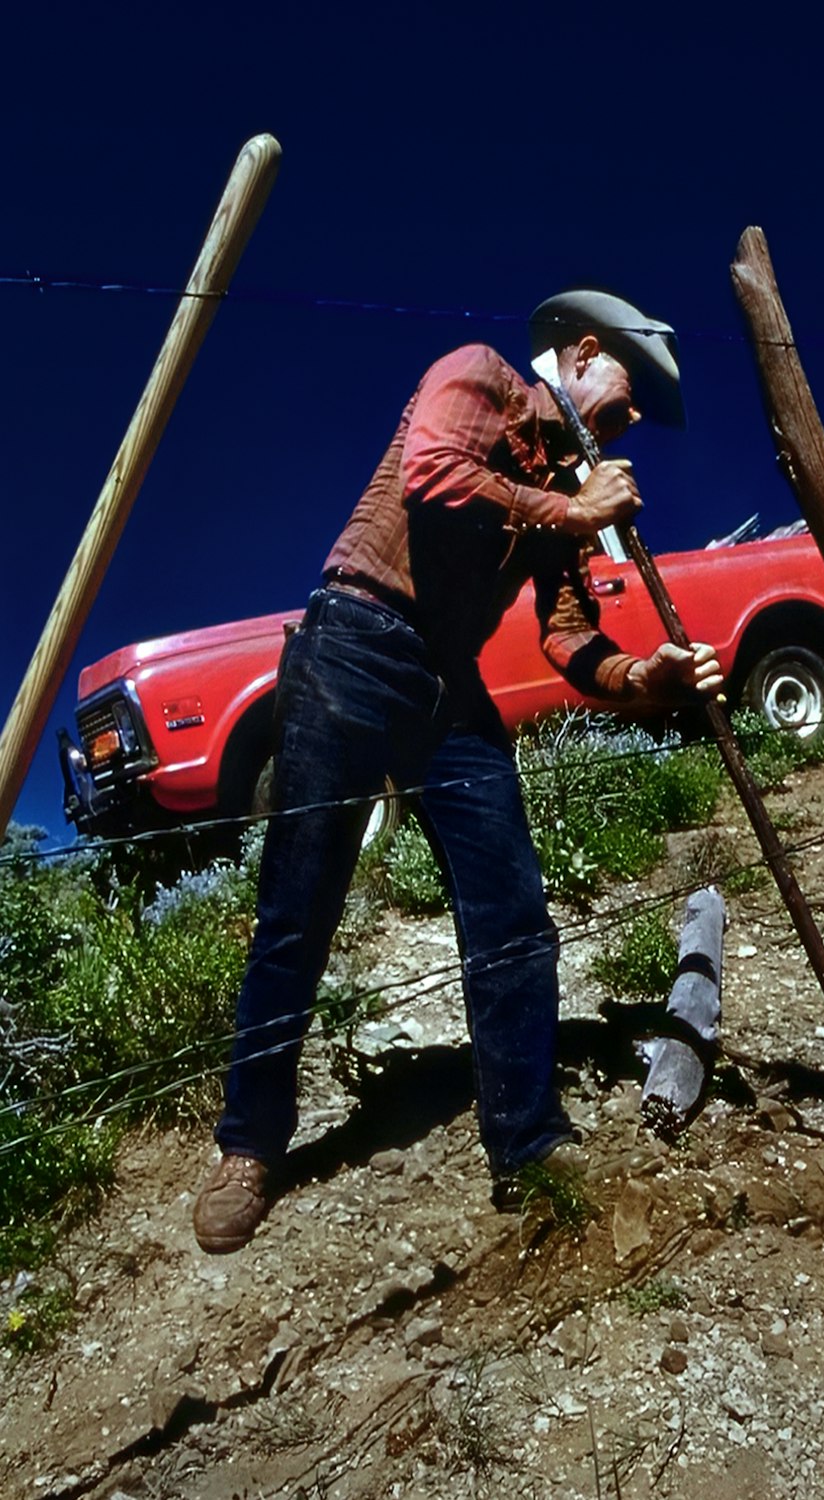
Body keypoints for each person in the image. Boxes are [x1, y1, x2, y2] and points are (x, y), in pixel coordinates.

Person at [193, 289, 723, 1253]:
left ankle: (527, 1144)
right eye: (632, 389)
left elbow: (567, 638)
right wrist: (574, 504)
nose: (634, 416)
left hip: (447, 683)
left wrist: (646, 678)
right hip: (355, 642)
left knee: (512, 907)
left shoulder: (569, 484)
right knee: (298, 903)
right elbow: (436, 475)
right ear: (586, 351)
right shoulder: (481, 376)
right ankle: (250, 1145)